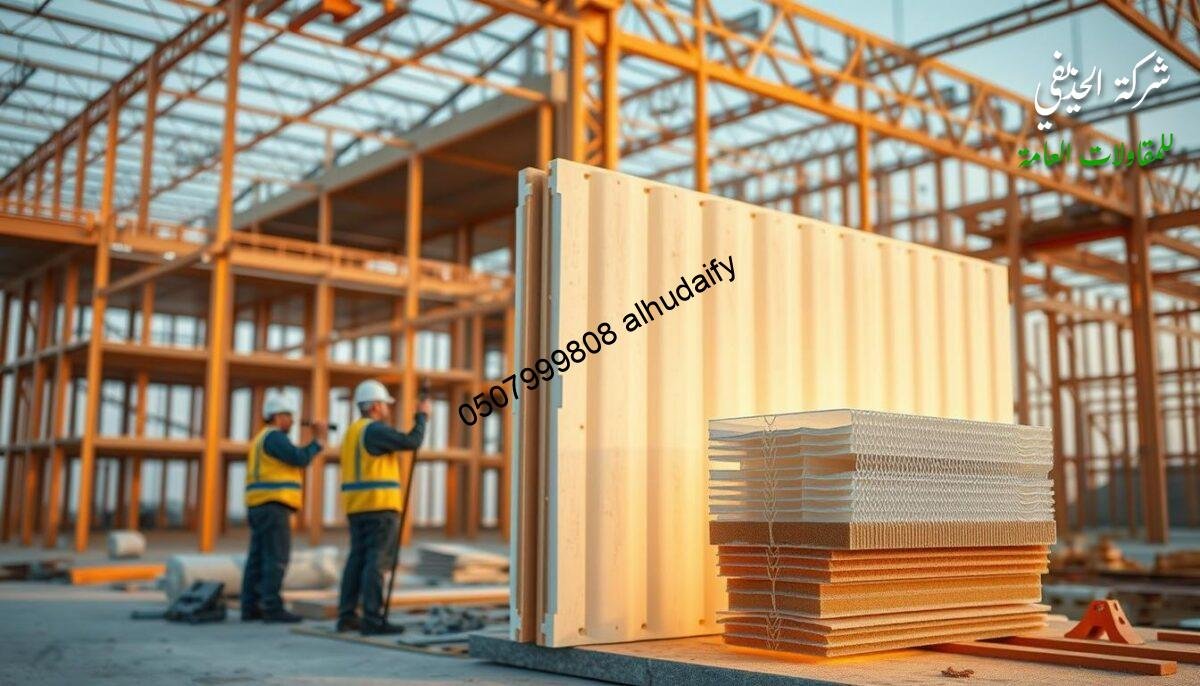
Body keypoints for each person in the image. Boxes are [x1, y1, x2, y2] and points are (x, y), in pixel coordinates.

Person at [336, 379, 429, 635]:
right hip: (379, 508)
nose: (387, 409)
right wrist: (422, 416)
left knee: (357, 562)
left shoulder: (352, 433)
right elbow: (412, 441)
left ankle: (346, 617)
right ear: (375, 406)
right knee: (376, 564)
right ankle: (372, 620)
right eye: (385, 404)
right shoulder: (374, 431)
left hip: (357, 508)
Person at [241, 394, 326, 623]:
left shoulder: (261, 439)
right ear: (278, 416)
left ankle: (250, 607)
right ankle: (272, 607)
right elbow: (298, 458)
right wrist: (317, 442)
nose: (292, 421)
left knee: (257, 558)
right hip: (273, 506)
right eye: (289, 416)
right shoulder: (275, 437)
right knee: (276, 558)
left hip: (259, 506)